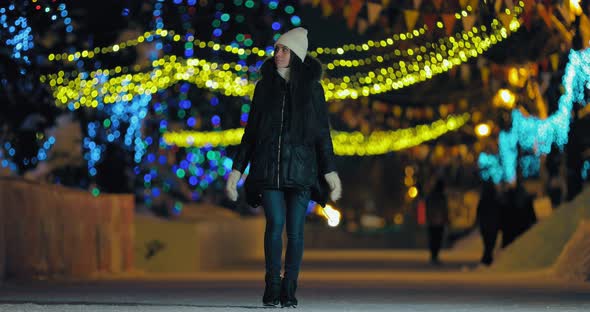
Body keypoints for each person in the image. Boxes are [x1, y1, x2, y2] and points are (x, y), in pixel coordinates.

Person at [224, 27, 342, 308]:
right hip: (268, 170)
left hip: (301, 172)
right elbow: (251, 133)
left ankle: (290, 286)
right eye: (276, 49)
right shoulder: (264, 87)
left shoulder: (312, 89)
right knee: (274, 225)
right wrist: (236, 171)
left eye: (284, 49)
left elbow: (321, 134)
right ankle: (272, 285)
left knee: (296, 231)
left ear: (297, 55)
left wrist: (330, 172)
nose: (277, 54)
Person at [476, 180, 500, 266]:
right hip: (493, 225)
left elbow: (479, 213)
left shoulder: (483, 200)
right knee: (490, 244)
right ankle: (487, 259)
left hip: (485, 225)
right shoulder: (495, 200)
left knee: (487, 243)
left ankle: (487, 259)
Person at [425, 179, 449, 265]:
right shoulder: (441, 196)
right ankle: (434, 256)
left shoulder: (431, 195)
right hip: (438, 221)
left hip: (432, 221)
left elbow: (427, 207)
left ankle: (434, 256)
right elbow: (445, 209)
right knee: (437, 239)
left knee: (433, 239)